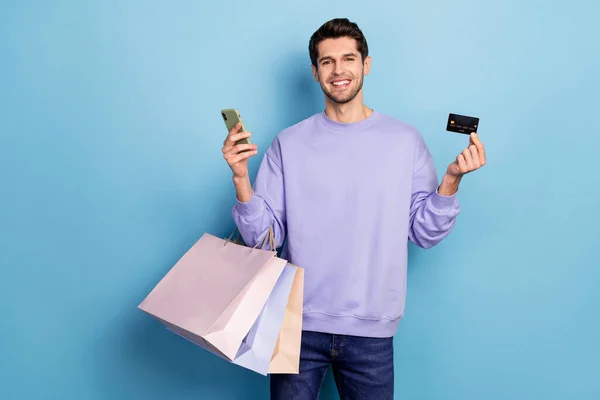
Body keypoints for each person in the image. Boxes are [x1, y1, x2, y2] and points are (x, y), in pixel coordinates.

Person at [221, 17, 486, 400]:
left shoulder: (405, 141)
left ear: (366, 64)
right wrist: (241, 180)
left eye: (348, 58)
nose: (339, 70)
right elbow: (266, 242)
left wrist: (450, 182)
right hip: (296, 326)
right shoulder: (288, 143)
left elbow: (424, 234)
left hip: (372, 332)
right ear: (315, 72)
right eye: (327, 62)